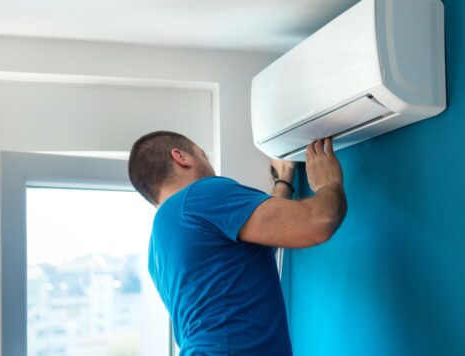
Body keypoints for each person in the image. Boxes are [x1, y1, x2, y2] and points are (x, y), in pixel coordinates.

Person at [127, 131, 347, 355]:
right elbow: (320, 221)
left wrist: (283, 179)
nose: (208, 164)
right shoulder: (199, 195)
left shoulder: (159, 244)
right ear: (180, 157)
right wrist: (328, 182)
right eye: (204, 155)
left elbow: (264, 237)